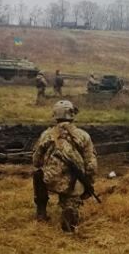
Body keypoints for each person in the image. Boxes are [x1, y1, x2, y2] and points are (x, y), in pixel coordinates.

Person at [31, 100, 97, 233]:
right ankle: (70, 208)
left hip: (50, 179)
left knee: (38, 174)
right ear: (72, 114)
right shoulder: (83, 135)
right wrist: (89, 181)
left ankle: (41, 210)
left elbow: (36, 161)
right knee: (72, 195)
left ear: (55, 114)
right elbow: (91, 164)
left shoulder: (46, 135)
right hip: (73, 181)